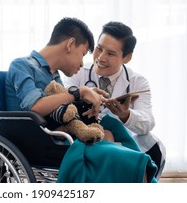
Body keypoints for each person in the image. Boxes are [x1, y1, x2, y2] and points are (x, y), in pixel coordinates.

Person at [5, 17, 157, 183]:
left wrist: (89, 101)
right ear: (70, 44)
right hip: (44, 142)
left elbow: (65, 110)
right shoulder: (22, 65)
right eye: (84, 53)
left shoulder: (53, 75)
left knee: (112, 133)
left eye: (111, 53)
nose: (83, 62)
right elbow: (35, 107)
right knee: (130, 165)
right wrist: (78, 92)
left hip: (63, 137)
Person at [64, 21, 166, 180]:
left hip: (125, 140)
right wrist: (83, 95)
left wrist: (126, 115)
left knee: (153, 145)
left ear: (127, 58)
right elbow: (62, 104)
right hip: (92, 139)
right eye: (99, 48)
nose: (101, 57)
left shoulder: (138, 82)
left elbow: (148, 122)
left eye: (110, 53)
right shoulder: (78, 73)